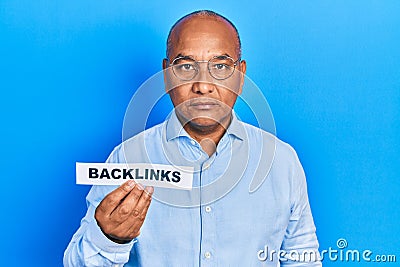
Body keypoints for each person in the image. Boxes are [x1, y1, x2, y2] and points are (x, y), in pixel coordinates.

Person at [64, 10, 321, 266]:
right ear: (166, 75)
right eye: (186, 66)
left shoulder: (282, 162)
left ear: (241, 76)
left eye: (220, 66)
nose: (203, 85)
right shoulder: (126, 159)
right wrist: (109, 238)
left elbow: (303, 259)